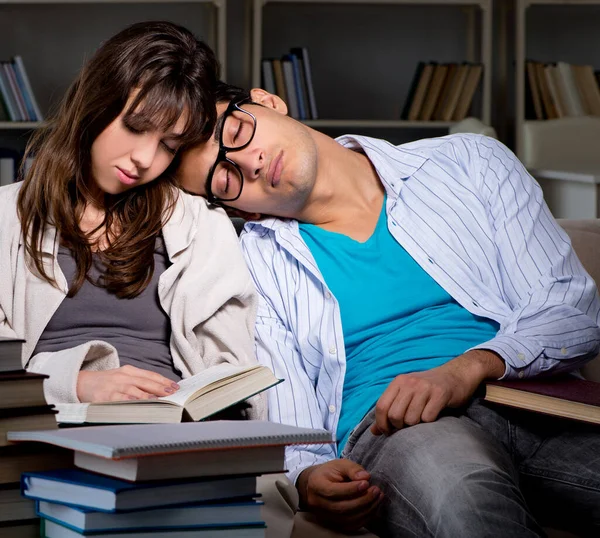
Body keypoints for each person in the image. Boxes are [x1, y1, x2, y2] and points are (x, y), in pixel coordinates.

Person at [177, 82, 600, 537]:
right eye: (226, 178)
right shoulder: (255, 264)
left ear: (267, 102)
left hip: (535, 402)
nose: (249, 162)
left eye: (236, 131)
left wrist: (471, 367)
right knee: (469, 505)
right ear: (242, 210)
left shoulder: (471, 162)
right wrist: (305, 476)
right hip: (399, 428)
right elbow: (288, 409)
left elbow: (571, 308)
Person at [0, 23, 264, 420]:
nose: (145, 158)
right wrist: (74, 384)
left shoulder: (199, 226)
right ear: (96, 100)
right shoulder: (8, 217)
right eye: (136, 126)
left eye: (168, 146)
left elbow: (234, 371)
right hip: (50, 427)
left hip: (176, 437)